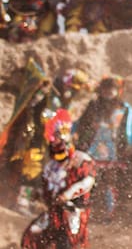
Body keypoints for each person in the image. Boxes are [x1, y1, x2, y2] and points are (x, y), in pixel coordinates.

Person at [1, 64, 91, 213]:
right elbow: (36, 110)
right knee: (32, 169)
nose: (72, 92)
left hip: (51, 143)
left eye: (75, 90)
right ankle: (22, 201)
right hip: (35, 138)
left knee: (46, 173)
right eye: (72, 88)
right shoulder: (49, 96)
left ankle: (34, 202)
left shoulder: (64, 101)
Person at [22, 110, 94, 249]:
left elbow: (88, 182)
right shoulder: (50, 166)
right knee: (31, 237)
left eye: (59, 144)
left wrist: (68, 194)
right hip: (53, 212)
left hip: (73, 212)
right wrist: (37, 195)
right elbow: (46, 190)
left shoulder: (81, 160)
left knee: (66, 244)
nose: (57, 148)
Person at [72, 75, 132, 222]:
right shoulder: (93, 106)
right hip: (93, 147)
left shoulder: (124, 109)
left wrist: (130, 146)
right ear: (101, 90)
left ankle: (110, 214)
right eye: (106, 88)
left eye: (113, 89)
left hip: (113, 149)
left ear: (118, 90)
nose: (109, 92)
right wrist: (78, 139)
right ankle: (83, 213)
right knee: (88, 179)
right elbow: (82, 125)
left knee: (110, 181)